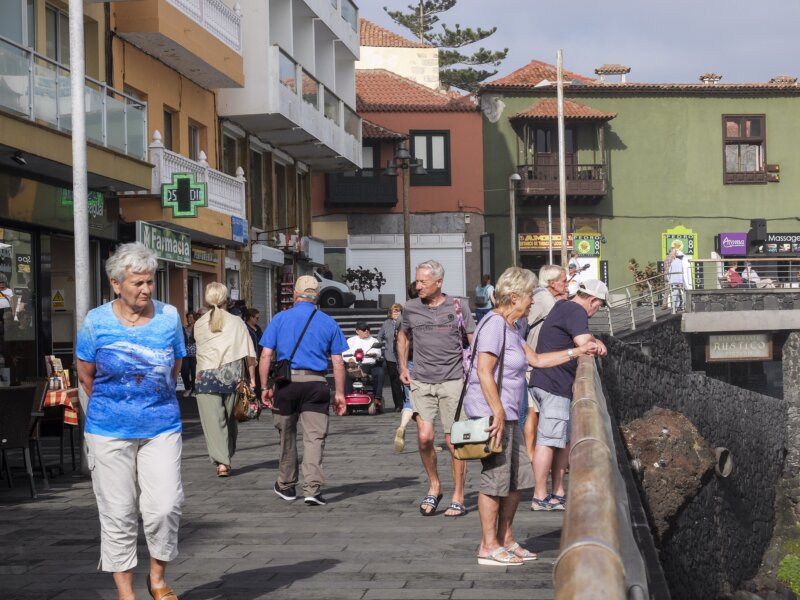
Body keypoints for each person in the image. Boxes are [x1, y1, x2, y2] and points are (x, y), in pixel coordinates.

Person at [465, 267, 599, 566]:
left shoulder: (513, 328)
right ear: (513, 297)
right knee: (494, 481)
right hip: (492, 415)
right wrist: (497, 412)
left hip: (512, 412)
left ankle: (507, 539)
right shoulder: (494, 325)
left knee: (516, 481)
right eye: (529, 296)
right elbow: (483, 371)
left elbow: (536, 360)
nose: (532, 301)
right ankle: (488, 546)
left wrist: (577, 353)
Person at [75, 242, 186, 600]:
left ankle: (157, 577)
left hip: (161, 426)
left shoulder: (169, 317)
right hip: (109, 430)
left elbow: (176, 366)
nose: (146, 289)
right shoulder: (96, 321)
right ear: (115, 283)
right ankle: (127, 594)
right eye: (138, 283)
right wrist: (119, 404)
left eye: (150, 282)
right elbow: (86, 375)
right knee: (118, 512)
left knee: (164, 506)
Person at [259, 275, 348, 506]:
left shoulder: (280, 319)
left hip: (286, 386)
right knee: (314, 438)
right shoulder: (328, 322)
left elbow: (266, 355)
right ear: (317, 296)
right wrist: (339, 393)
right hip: (316, 385)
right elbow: (338, 361)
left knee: (286, 436)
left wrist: (264, 387)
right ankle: (312, 489)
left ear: (296, 295)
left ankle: (287, 486)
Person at [398, 259, 476, 518]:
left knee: (454, 441)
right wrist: (403, 367)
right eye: (417, 281)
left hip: (453, 380)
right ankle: (435, 485)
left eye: (423, 281)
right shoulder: (410, 308)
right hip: (421, 380)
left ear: (438, 282)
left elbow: (472, 340)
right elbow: (403, 336)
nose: (418, 286)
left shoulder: (458, 305)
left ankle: (459, 495)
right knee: (424, 437)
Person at [530, 280, 608, 511]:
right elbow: (584, 342)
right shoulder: (577, 311)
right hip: (554, 383)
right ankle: (540, 496)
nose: (597, 311)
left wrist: (596, 339)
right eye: (600, 306)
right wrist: (596, 342)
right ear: (592, 300)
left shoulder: (563, 306)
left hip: (546, 381)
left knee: (561, 439)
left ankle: (557, 491)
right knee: (548, 440)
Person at [194, 283, 256, 478]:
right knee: (229, 421)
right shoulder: (237, 322)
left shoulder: (199, 324)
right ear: (226, 300)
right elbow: (249, 353)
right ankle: (225, 456)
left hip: (205, 378)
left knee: (213, 423)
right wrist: (252, 379)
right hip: (232, 378)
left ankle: (222, 462)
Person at [523, 265, 568, 465]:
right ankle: (533, 455)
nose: (566, 285)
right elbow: (563, 323)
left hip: (536, 360)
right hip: (533, 362)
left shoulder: (542, 297)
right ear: (552, 283)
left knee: (535, 411)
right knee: (533, 412)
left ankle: (536, 454)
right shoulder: (545, 299)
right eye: (563, 281)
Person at [394, 283, 419, 452]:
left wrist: (401, 365)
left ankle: (402, 426)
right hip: (423, 362)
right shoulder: (422, 313)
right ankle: (427, 441)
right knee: (426, 402)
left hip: (406, 362)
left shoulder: (402, 317)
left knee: (409, 400)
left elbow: (398, 341)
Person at [343, 320, 385, 411]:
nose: (367, 331)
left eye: (368, 329)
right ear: (357, 331)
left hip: (369, 366)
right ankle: (347, 397)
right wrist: (350, 359)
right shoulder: (350, 341)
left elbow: (377, 352)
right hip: (354, 366)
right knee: (345, 374)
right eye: (364, 329)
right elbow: (344, 353)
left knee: (380, 372)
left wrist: (373, 354)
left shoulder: (374, 340)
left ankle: (377, 397)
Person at [379, 304, 405, 412]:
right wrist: (381, 347)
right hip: (390, 356)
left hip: (403, 356)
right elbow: (379, 336)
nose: (396, 313)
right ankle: (398, 404)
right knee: (395, 381)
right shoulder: (386, 323)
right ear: (390, 313)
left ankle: (408, 402)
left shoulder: (405, 322)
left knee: (406, 381)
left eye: (398, 311)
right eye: (394, 311)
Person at [244, 308, 264, 394]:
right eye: (257, 318)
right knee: (251, 379)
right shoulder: (245, 328)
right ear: (251, 317)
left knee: (259, 379)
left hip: (259, 358)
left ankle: (259, 398)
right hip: (250, 358)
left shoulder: (258, 328)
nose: (258, 320)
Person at [181, 311, 197, 398]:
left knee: (194, 373)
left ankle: (194, 389)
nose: (189, 319)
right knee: (185, 372)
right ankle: (188, 388)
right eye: (188, 317)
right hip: (185, 354)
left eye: (191, 317)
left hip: (195, 354)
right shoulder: (184, 328)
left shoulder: (198, 328)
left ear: (194, 318)